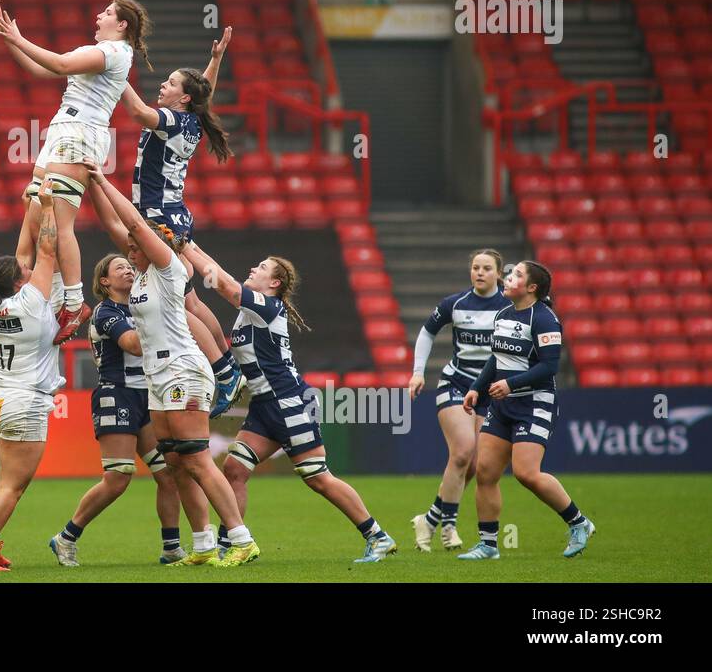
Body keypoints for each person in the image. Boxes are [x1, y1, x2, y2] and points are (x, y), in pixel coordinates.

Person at [83, 161, 260, 568]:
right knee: (176, 462)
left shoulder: (167, 268)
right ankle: (201, 546)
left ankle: (240, 538)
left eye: (134, 246)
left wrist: (105, 180)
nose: (128, 251)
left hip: (183, 369)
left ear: (153, 245)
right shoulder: (139, 279)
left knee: (197, 457)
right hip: (158, 376)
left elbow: (132, 221)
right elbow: (118, 225)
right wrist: (93, 185)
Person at [182, 241, 398, 565]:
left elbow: (225, 284)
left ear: (275, 284)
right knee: (235, 469)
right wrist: (186, 250)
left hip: (288, 402)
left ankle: (377, 536)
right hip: (265, 405)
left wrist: (186, 245)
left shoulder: (267, 307)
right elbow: (204, 314)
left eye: (262, 267)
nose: (254, 269)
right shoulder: (250, 313)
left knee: (318, 478)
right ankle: (233, 546)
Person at [0, 0, 151, 343]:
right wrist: (9, 39)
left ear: (122, 25)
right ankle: (60, 297)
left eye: (107, 12)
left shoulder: (115, 52)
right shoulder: (100, 52)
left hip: (80, 136)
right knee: (36, 223)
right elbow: (41, 69)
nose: (98, 14)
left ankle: (74, 302)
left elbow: (61, 65)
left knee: (60, 223)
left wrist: (19, 38)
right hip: (61, 131)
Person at [118, 32, 242, 415]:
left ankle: (223, 370)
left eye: (170, 83)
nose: (163, 85)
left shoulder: (171, 120)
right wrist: (216, 61)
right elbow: (201, 93)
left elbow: (137, 112)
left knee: (182, 305)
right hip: (172, 216)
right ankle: (226, 367)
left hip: (160, 220)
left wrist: (113, 70)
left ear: (182, 97)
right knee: (188, 299)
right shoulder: (190, 119)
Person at [47, 252, 187, 566]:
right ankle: (66, 538)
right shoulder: (106, 311)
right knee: (119, 477)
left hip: (147, 397)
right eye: (119, 267)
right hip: (117, 395)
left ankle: (171, 548)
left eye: (130, 265)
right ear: (105, 281)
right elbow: (133, 344)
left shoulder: (140, 305)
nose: (128, 269)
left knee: (168, 473)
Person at [458, 260, 595, 560]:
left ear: (531, 288)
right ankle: (488, 545)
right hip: (502, 404)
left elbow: (549, 367)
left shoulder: (545, 319)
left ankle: (579, 522)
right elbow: (496, 359)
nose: (509, 277)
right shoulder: (504, 314)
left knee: (526, 473)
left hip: (535, 403)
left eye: (516, 274)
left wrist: (510, 384)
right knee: (485, 472)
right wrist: (476, 388)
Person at [0, 182, 62, 572]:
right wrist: (49, 207)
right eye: (26, 269)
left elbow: (25, 253)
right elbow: (48, 249)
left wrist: (29, 209)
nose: (30, 265)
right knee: (13, 487)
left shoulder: (4, 301)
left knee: (0, 480)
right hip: (24, 402)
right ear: (21, 279)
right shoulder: (33, 298)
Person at [406, 249, 507, 553]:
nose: (479, 272)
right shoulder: (456, 304)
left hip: (491, 392)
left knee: (476, 465)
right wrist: (417, 373)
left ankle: (430, 519)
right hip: (456, 384)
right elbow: (426, 332)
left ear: (498, 274)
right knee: (462, 452)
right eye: (475, 267)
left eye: (486, 268)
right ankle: (449, 526)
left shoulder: (509, 308)